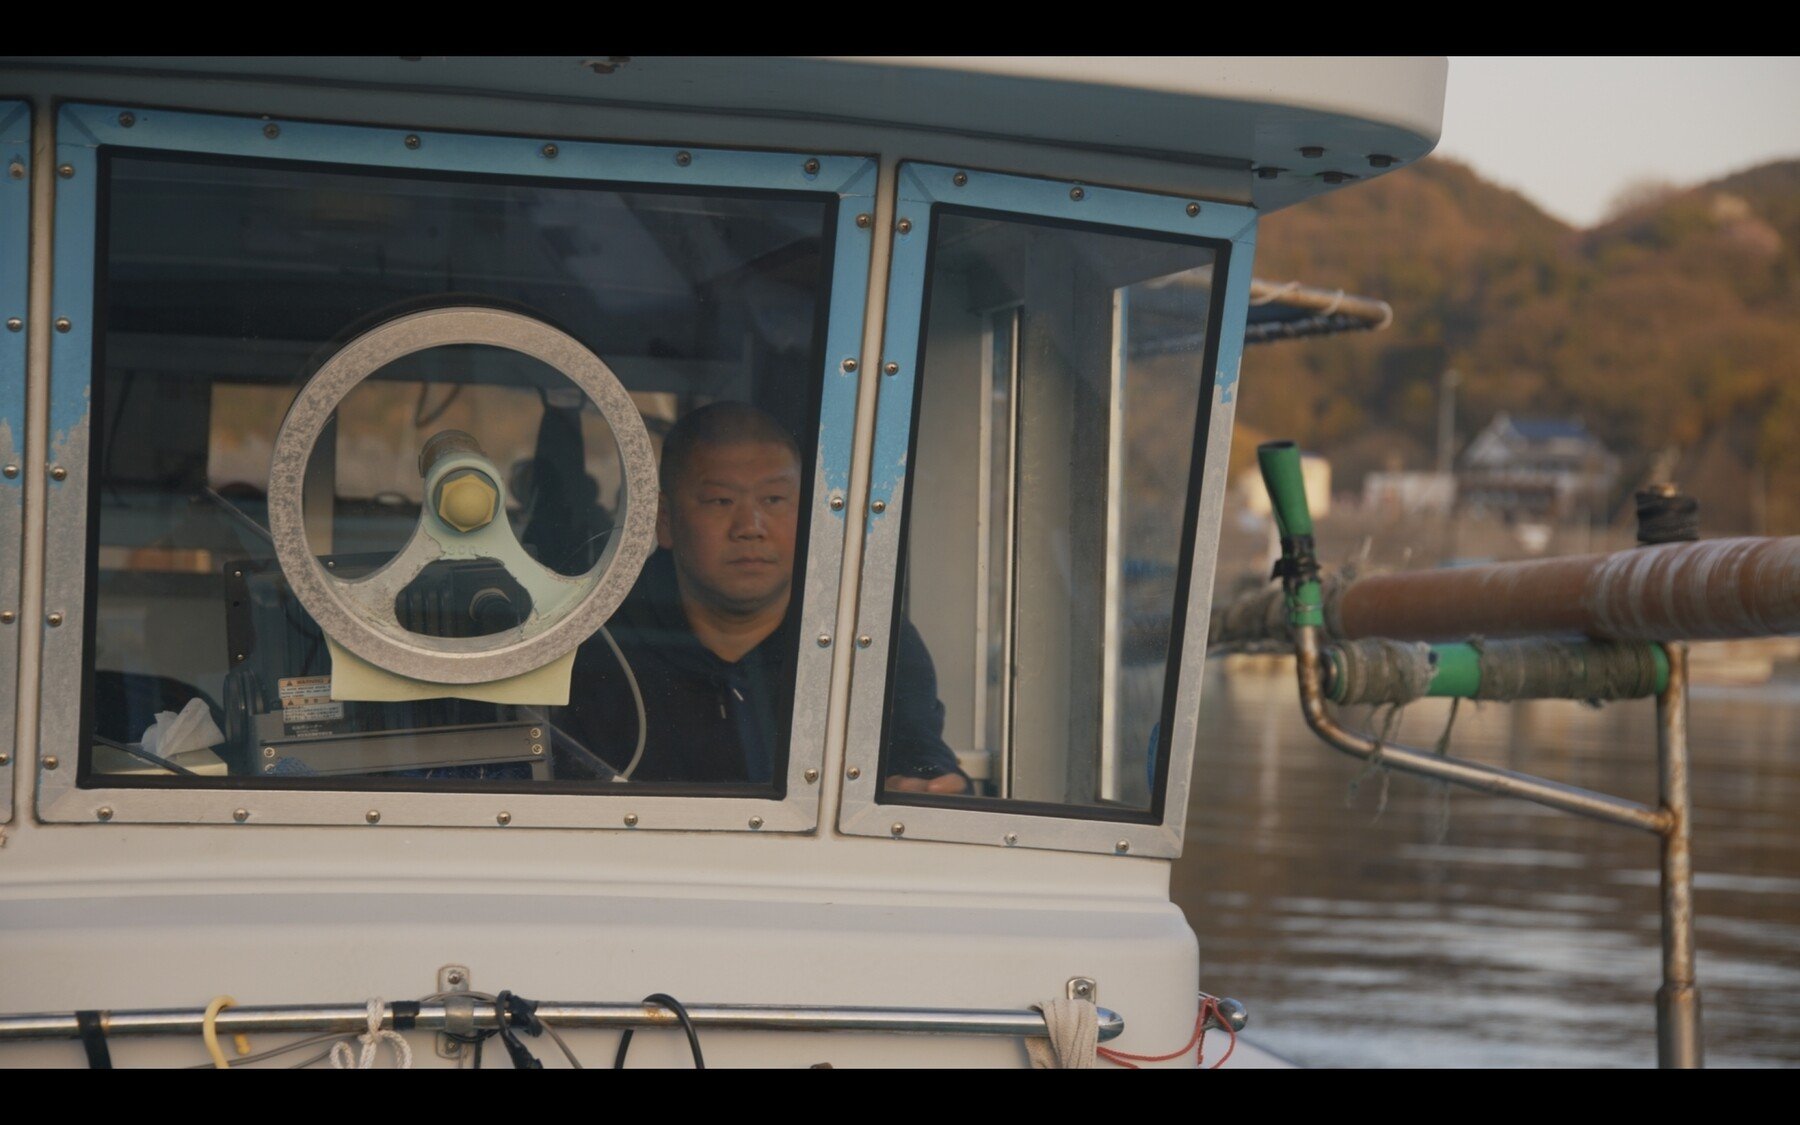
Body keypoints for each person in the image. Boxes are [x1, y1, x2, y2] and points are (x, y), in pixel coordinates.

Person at [556, 402, 968, 792]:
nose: (750, 527)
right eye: (721, 500)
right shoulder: (600, 640)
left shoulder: (864, 635)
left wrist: (923, 787)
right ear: (665, 519)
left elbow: (919, 756)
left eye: (773, 500)